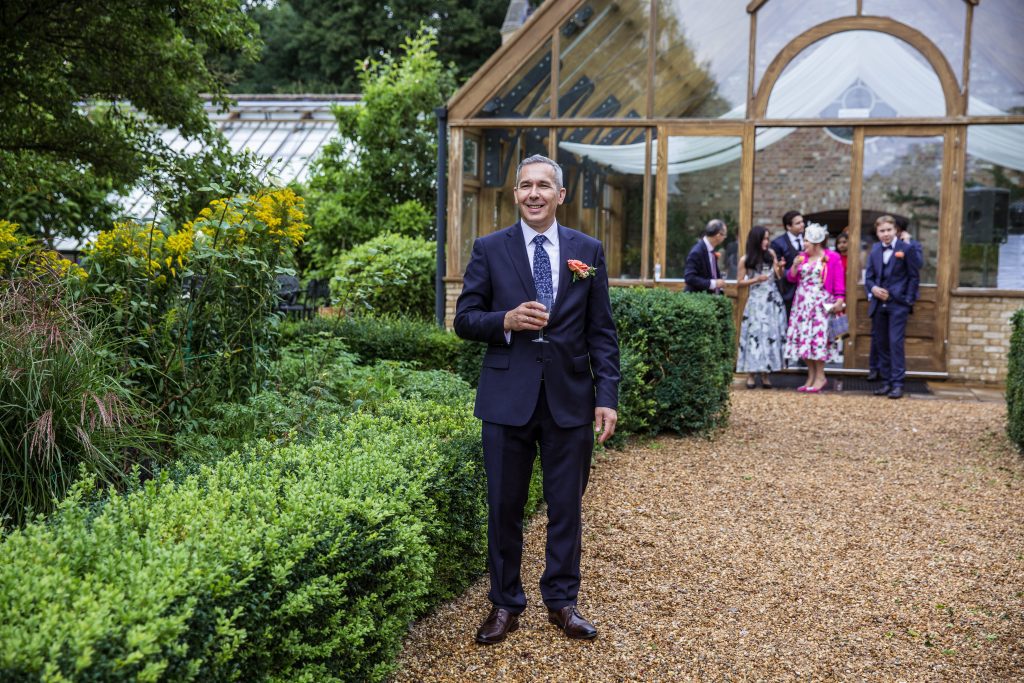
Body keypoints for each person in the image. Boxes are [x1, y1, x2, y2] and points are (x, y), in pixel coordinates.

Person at [454, 154, 620, 645]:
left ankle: (562, 602)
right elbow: (464, 319)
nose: (533, 193)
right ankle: (504, 604)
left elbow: (602, 332)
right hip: (507, 400)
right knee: (504, 507)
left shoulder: (587, 250)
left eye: (543, 186)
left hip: (570, 399)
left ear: (560, 195)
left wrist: (606, 396)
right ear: (515, 194)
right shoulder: (489, 249)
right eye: (524, 185)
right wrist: (503, 321)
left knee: (566, 506)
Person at [783, 222, 846, 392]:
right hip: (802, 304)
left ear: (817, 242)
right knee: (805, 340)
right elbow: (791, 278)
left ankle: (821, 376)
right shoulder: (801, 257)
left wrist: (840, 299)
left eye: (806, 241)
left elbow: (839, 280)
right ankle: (810, 376)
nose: (804, 244)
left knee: (818, 341)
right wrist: (795, 266)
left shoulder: (832, 257)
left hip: (820, 304)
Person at [864, 215, 920, 399]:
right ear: (877, 232)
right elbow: (869, 277)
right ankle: (886, 382)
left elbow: (913, 276)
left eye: (889, 230)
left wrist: (908, 299)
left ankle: (898, 384)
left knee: (895, 343)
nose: (886, 234)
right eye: (882, 231)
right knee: (881, 343)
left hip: (898, 304)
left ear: (895, 230)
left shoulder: (907, 249)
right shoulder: (875, 250)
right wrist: (874, 289)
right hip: (879, 304)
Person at [736, 225, 787, 389]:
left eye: (768, 238)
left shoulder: (771, 254)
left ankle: (766, 374)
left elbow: (778, 276)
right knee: (754, 336)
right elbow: (740, 282)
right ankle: (751, 374)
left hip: (772, 300)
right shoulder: (745, 259)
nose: (767, 241)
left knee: (770, 335)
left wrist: (781, 268)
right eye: (764, 238)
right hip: (756, 302)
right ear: (756, 240)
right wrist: (756, 280)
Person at [770, 210, 806, 318]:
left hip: (807, 290)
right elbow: (777, 268)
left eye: (802, 222)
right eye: (798, 223)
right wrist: (791, 274)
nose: (802, 225)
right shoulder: (778, 243)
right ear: (789, 227)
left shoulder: (809, 239)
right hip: (788, 291)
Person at [683, 219, 727, 294]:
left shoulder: (710, 250)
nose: (724, 238)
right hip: (697, 300)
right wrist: (714, 283)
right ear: (718, 235)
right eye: (725, 235)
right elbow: (689, 278)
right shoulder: (697, 251)